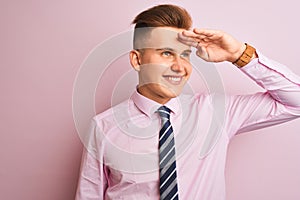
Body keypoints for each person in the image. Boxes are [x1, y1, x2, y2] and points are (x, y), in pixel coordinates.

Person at [75, 4, 300, 200]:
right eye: (166, 53)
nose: (179, 66)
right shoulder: (103, 127)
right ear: (137, 59)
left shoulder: (216, 113)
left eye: (185, 55)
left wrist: (238, 54)